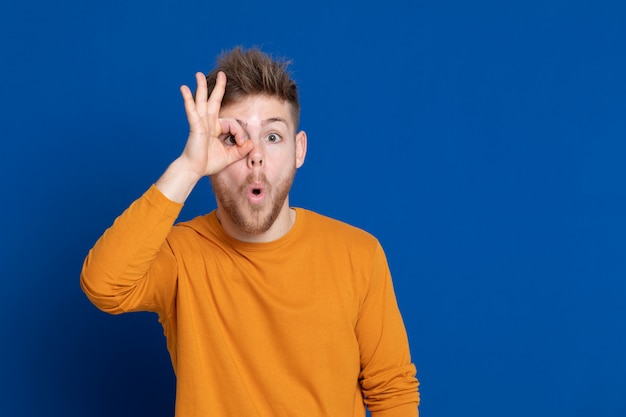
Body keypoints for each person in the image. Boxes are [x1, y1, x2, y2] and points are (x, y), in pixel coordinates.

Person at [80, 46, 420, 416]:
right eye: (233, 138)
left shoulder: (358, 254)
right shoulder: (181, 255)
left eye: (273, 137)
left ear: (298, 151)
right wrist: (189, 167)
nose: (254, 154)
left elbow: (392, 392)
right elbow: (104, 286)